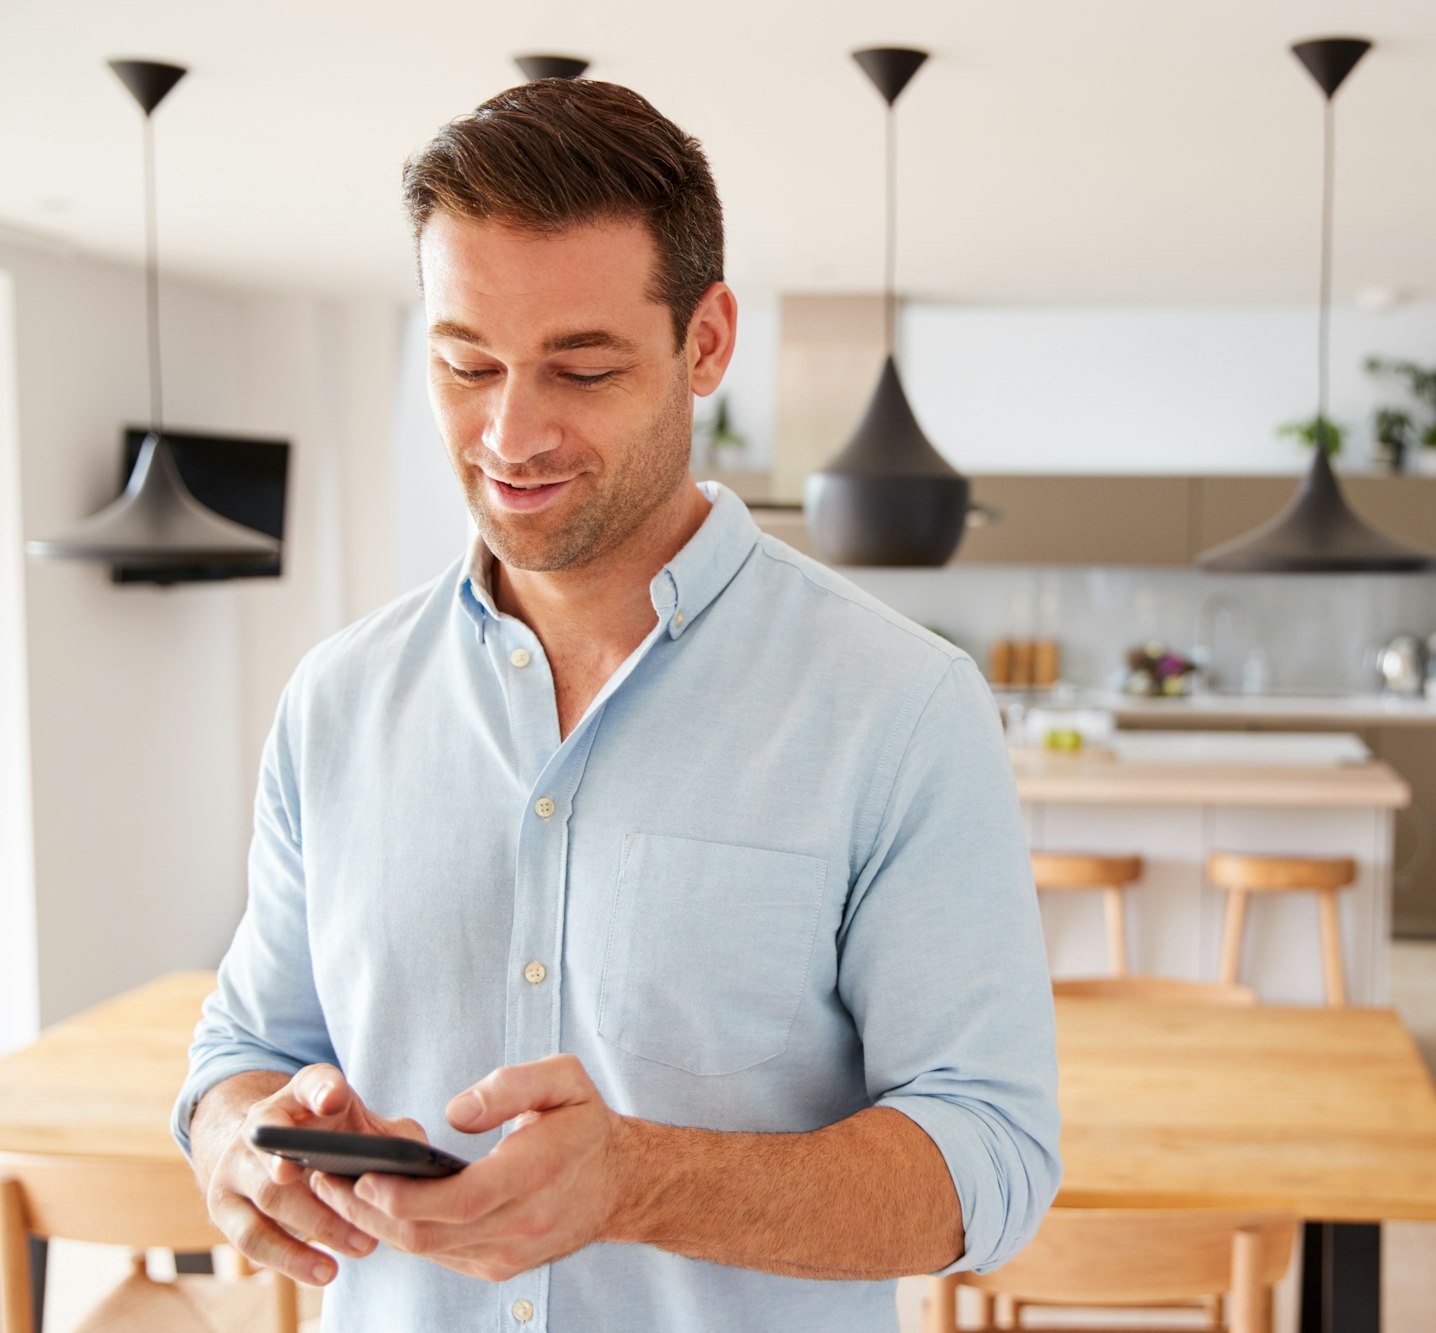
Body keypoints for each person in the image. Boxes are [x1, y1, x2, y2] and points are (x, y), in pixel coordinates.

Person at [173, 77, 1061, 1332]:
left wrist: (642, 1182)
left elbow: (992, 1159)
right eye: (463, 364)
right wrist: (240, 1145)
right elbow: (238, 1052)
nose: (509, 433)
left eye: (581, 368)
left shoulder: (900, 707)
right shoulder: (337, 701)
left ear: (705, 343)